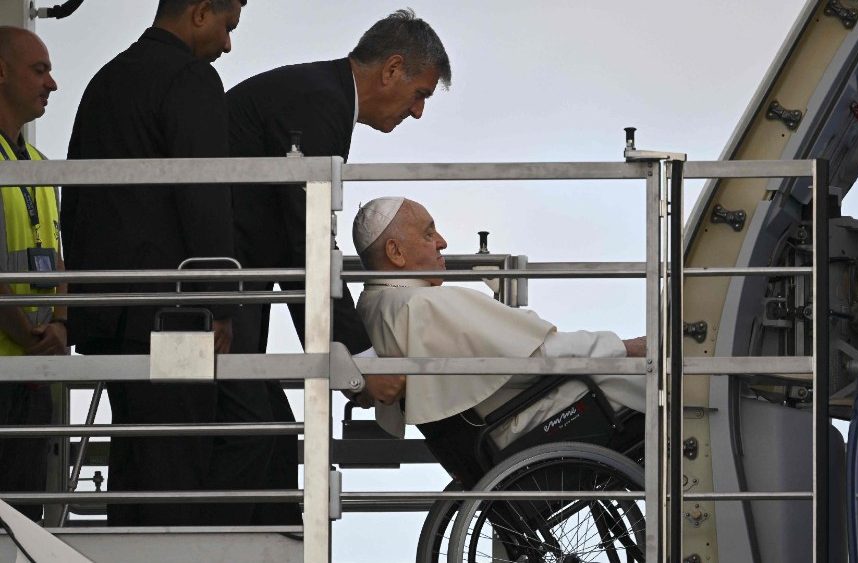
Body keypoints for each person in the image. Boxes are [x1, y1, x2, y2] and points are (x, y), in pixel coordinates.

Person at [60, 0, 247, 526]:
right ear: (200, 12)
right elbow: (206, 197)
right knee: (176, 467)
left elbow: (73, 197)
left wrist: (82, 305)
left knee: (134, 461)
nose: (227, 45)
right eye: (227, 27)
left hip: (109, 313)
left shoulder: (107, 79)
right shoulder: (191, 77)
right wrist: (221, 305)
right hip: (174, 318)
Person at [352, 197, 646, 485]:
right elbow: (538, 356)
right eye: (429, 233)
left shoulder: (374, 306)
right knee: (663, 387)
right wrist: (624, 348)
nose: (442, 242)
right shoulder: (424, 304)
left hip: (491, 442)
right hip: (524, 429)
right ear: (395, 251)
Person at [226, 7, 451, 358]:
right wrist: (357, 356)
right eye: (420, 93)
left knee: (260, 410)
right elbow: (306, 238)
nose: (418, 111)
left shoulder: (325, 95)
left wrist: (337, 354)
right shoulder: (321, 104)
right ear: (391, 70)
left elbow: (298, 241)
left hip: (230, 284)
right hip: (214, 288)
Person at [0, 26, 64, 521]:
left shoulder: (40, 165)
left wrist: (63, 321)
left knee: (26, 525)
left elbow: (59, 261)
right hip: (8, 365)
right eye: (39, 70)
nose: (51, 83)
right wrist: (21, 331)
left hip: (34, 377)